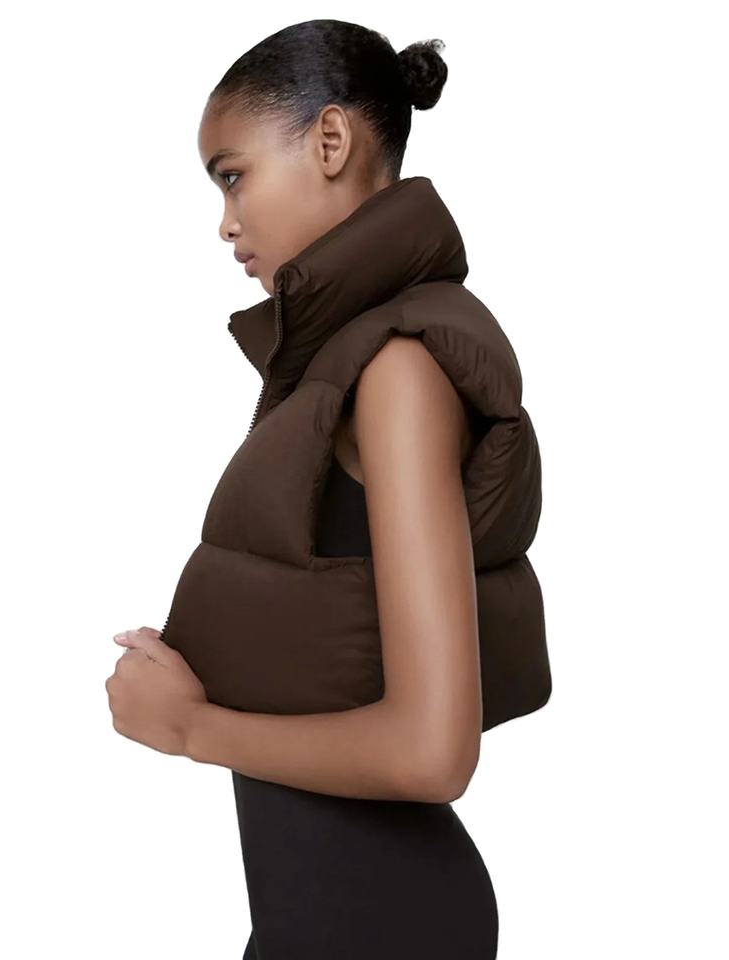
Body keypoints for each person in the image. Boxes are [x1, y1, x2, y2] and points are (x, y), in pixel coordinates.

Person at [108, 19, 525, 959]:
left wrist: (190, 728)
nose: (225, 222)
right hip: (325, 919)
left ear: (330, 140)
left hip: (381, 924)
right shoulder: (348, 361)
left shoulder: (398, 372)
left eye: (232, 175)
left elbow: (434, 751)